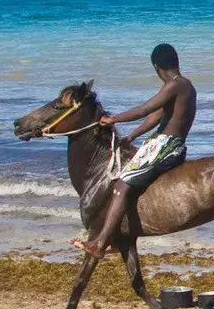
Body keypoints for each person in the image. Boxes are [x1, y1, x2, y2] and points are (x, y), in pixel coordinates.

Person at [73, 43, 197, 257]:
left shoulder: (175, 85)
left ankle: (100, 243)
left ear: (157, 67)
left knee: (122, 183)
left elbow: (144, 108)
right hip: (166, 142)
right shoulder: (184, 87)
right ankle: (115, 235)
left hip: (166, 144)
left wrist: (114, 118)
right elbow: (156, 116)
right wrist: (132, 136)